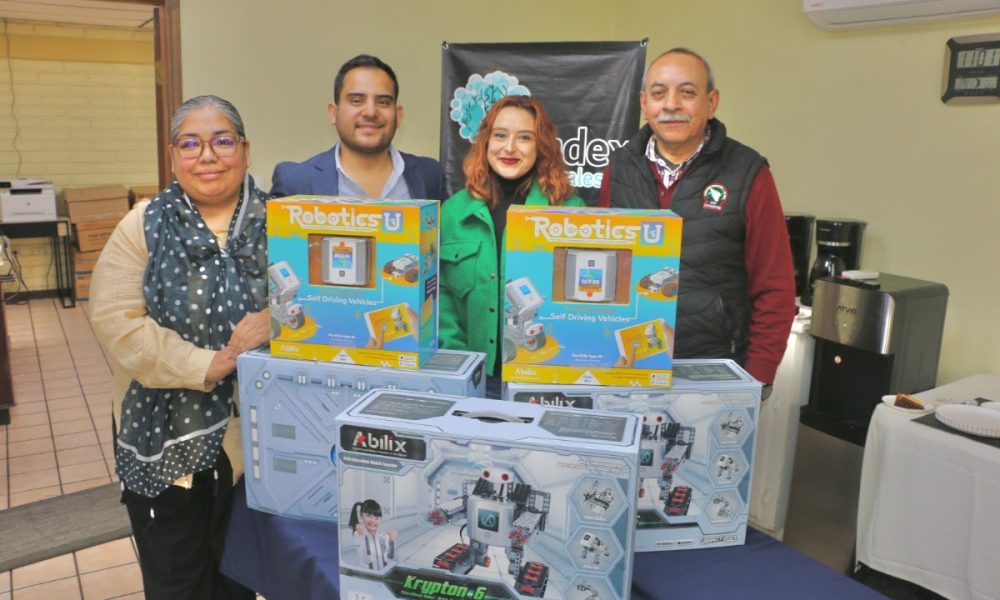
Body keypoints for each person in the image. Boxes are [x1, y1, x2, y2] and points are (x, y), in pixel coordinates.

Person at [89, 95, 269, 599]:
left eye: (222, 141)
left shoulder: (283, 221)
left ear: (245, 150)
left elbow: (318, 303)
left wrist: (276, 320)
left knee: (239, 576)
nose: (206, 155)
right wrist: (210, 363)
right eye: (190, 144)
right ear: (172, 157)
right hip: (163, 437)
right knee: (177, 579)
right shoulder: (143, 224)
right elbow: (117, 322)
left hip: (255, 438)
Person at [598, 48, 795, 397]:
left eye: (687, 92)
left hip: (717, 370)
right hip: (631, 363)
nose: (671, 104)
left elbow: (775, 287)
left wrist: (758, 379)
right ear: (644, 103)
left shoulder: (748, 172)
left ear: (711, 102)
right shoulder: (618, 167)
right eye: (659, 93)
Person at [439, 95, 584, 388]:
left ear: (542, 146)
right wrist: (458, 363)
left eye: (525, 137)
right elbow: (442, 295)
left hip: (543, 380)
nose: (509, 147)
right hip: (470, 377)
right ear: (485, 141)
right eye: (500, 135)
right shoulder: (454, 212)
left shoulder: (569, 210)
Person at [270, 54, 445, 200]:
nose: (370, 112)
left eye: (383, 102)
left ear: (398, 115)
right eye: (356, 101)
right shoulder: (295, 181)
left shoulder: (430, 175)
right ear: (333, 113)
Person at [348, 499, 398, 571]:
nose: (373, 520)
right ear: (361, 515)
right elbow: (366, 560)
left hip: (382, 574)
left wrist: (392, 542)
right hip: (368, 575)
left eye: (377, 518)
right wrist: (363, 536)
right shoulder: (358, 535)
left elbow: (391, 561)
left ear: (381, 519)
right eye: (368, 516)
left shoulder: (384, 537)